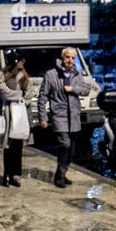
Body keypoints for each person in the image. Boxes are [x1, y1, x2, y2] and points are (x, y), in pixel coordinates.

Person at [37, 47, 97, 188]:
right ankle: (59, 175)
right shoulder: (51, 75)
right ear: (62, 58)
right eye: (67, 57)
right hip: (59, 116)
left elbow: (86, 90)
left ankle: (63, 173)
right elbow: (42, 97)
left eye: (72, 58)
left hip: (74, 117)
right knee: (65, 144)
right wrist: (43, 117)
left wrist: (73, 89)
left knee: (71, 149)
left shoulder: (77, 74)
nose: (70, 61)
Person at [0, 57, 31, 186]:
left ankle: (15, 175)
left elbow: (29, 94)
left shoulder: (23, 76)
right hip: (8, 115)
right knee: (8, 146)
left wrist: (17, 94)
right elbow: (4, 93)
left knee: (18, 146)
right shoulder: (2, 75)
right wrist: (19, 94)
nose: (22, 64)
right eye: (20, 61)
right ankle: (7, 174)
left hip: (21, 114)